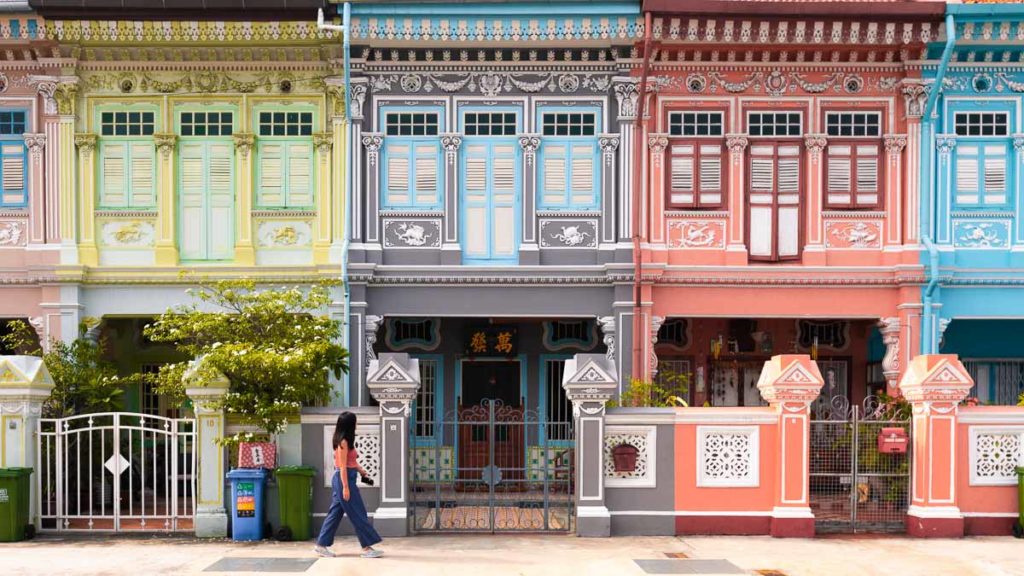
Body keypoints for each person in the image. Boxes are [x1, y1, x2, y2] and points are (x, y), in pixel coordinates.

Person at [314, 411, 384, 559]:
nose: (357, 424)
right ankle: (367, 548)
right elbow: (342, 467)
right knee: (358, 512)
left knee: (335, 513)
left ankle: (321, 544)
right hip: (343, 480)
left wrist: (360, 470)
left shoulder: (347, 440)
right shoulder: (343, 442)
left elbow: (350, 462)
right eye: (355, 421)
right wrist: (346, 487)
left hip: (347, 478)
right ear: (349, 425)